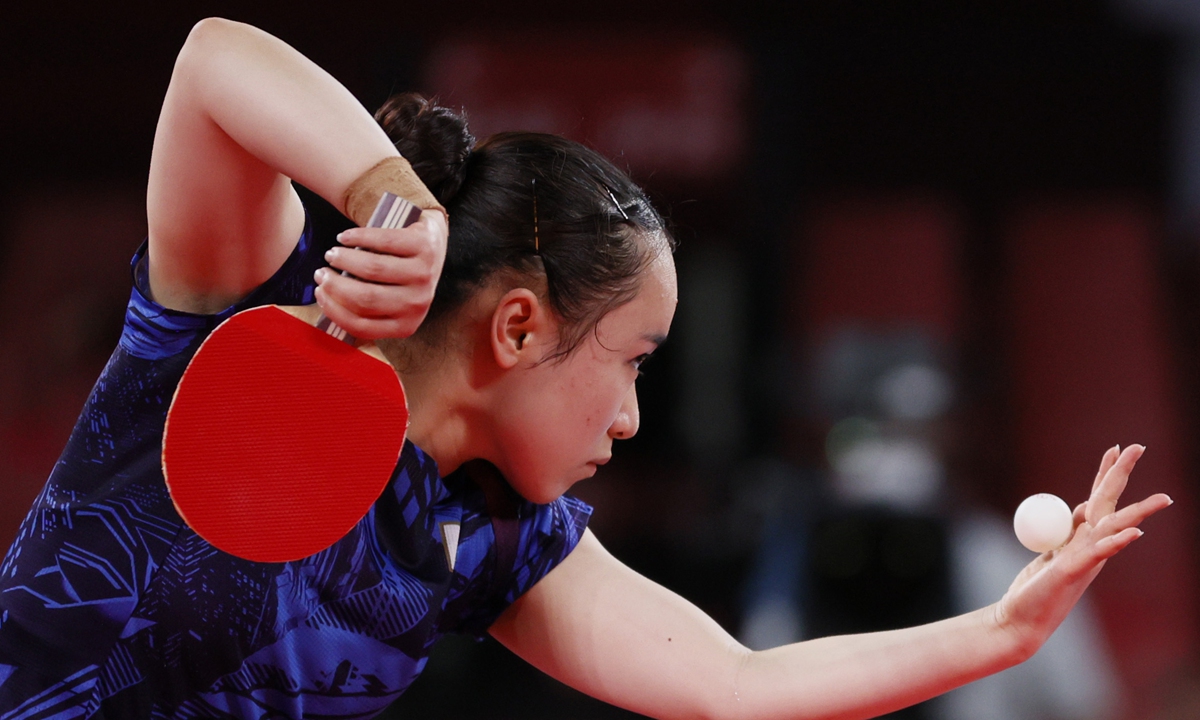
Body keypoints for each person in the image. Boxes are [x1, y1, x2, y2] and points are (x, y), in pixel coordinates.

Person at [0, 17, 1171, 720]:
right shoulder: (259, 313)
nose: (629, 418)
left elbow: (735, 689)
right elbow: (212, 63)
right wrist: (385, 200)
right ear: (517, 330)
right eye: (633, 364)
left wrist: (1004, 634)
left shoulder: (498, 544)